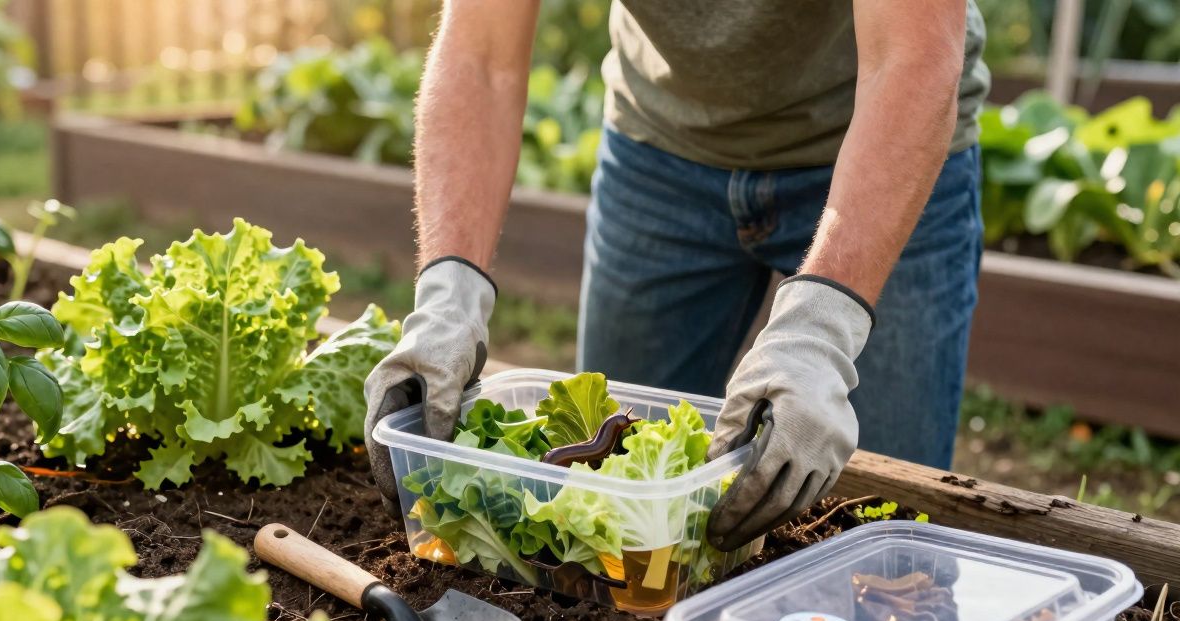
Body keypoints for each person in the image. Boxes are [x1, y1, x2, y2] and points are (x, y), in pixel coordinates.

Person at [364, 0, 989, 553]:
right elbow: (480, 56)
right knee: (607, 513)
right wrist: (449, 295)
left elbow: (912, 56)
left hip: (882, 142)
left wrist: (822, 330)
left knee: (890, 529)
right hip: (659, 154)